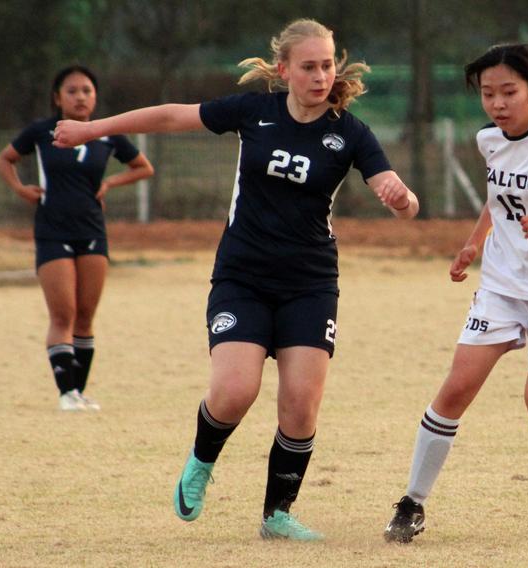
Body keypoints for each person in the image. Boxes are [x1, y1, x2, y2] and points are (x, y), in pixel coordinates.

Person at [54, 19, 419, 540]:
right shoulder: (254, 113)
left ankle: (277, 515)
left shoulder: (350, 132)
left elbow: (400, 197)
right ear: (284, 70)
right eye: (309, 66)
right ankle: (201, 463)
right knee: (233, 390)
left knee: (300, 403)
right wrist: (94, 128)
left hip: (311, 283)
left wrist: (402, 199)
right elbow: (170, 115)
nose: (320, 75)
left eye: (328, 64)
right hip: (242, 276)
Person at [383, 43, 528, 543]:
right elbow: (499, 199)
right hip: (502, 287)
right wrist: (473, 243)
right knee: (454, 391)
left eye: (508, 91)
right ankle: (412, 503)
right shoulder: (488, 139)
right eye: (488, 94)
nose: (497, 103)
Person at [0, 65, 154, 412]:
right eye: (72, 91)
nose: (80, 97)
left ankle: (78, 393)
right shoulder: (41, 131)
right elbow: (4, 160)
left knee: (85, 315)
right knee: (63, 314)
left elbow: (144, 167)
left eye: (87, 90)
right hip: (52, 231)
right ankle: (66, 393)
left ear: (95, 96)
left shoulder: (109, 134)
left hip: (93, 230)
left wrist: (110, 183)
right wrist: (21, 189)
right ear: (57, 98)